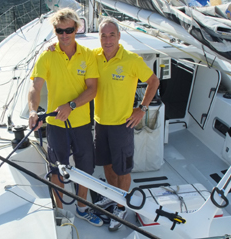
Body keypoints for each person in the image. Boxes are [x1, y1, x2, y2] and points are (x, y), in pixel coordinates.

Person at [28, 8, 102, 227]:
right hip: (55, 125)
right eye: (60, 30)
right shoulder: (47, 55)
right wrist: (33, 110)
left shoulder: (88, 55)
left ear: (76, 29)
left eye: (69, 30)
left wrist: (71, 105)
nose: (64, 34)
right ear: (55, 31)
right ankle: (59, 213)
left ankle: (81, 208)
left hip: (81, 124)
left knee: (85, 168)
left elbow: (92, 90)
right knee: (56, 169)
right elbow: (35, 86)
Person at [93, 18, 160, 232]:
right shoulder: (94, 57)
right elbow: (72, 52)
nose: (107, 39)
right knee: (107, 165)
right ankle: (114, 197)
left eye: (112, 34)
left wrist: (142, 108)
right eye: (103, 35)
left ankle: (121, 207)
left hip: (122, 125)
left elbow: (154, 82)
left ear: (119, 37)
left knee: (123, 169)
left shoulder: (131, 60)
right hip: (100, 123)